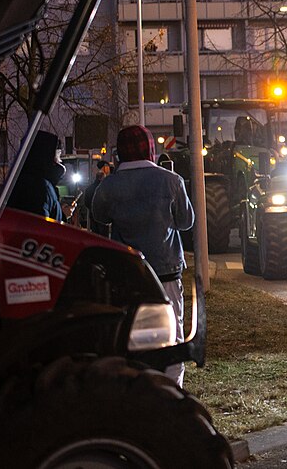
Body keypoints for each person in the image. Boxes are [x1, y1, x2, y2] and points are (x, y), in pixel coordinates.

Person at [92, 125, 194, 386]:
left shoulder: (109, 185)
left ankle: (136, 387)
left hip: (126, 273)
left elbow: (99, 217)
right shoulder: (171, 181)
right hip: (166, 271)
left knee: (130, 333)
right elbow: (186, 222)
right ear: (151, 149)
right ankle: (171, 391)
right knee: (172, 332)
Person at [7, 130, 67, 222]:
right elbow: (40, 228)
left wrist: (61, 214)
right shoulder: (39, 188)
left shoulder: (21, 181)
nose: (60, 161)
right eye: (57, 155)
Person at [75, 159, 113, 236]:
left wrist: (92, 209)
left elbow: (86, 202)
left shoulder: (90, 188)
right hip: (103, 216)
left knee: (95, 234)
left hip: (93, 215)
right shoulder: (105, 187)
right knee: (104, 236)